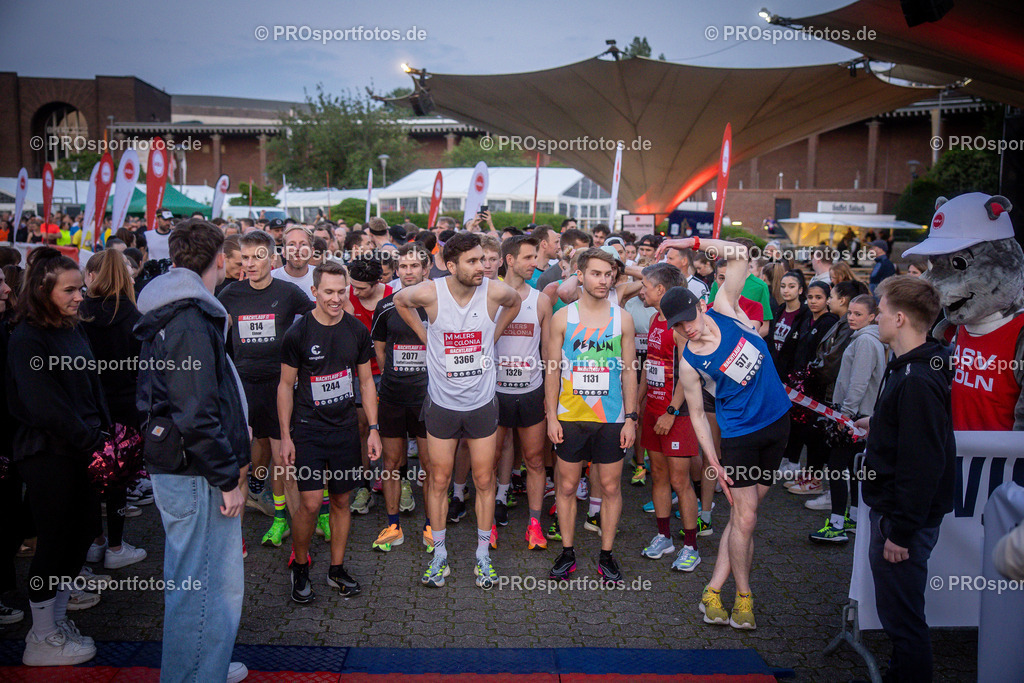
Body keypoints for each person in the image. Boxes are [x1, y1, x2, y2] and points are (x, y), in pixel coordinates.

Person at [655, 236, 792, 631]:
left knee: (742, 516)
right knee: (746, 520)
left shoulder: (726, 308)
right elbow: (697, 414)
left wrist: (692, 241)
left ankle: (713, 588)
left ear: (701, 305)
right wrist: (712, 458)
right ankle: (744, 597)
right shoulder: (690, 361)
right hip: (740, 436)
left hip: (777, 424)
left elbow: (740, 253)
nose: (687, 329)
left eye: (689, 319)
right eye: (678, 326)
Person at [134, 219, 249, 683]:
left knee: (196, 580)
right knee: (206, 584)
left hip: (186, 466)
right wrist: (226, 477)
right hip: (195, 470)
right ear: (219, 258)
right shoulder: (188, 318)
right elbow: (196, 411)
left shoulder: (176, 310)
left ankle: (203, 666)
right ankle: (196, 673)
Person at [393, 232, 521, 589]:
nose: (482, 266)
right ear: (450, 266)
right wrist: (424, 332)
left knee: (484, 480)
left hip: (481, 404)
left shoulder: (494, 291)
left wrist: (493, 335)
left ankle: (483, 556)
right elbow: (399, 300)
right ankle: (439, 556)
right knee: (437, 480)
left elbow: (513, 301)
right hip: (443, 405)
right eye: (473, 261)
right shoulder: (430, 293)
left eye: (484, 259)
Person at [7, 248, 108, 666]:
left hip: (81, 449)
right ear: (43, 290)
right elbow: (43, 405)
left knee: (81, 532)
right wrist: (88, 438)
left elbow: (90, 383)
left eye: (80, 288)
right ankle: (41, 636)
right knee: (55, 541)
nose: (79, 296)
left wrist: (104, 434)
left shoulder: (71, 327)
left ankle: (57, 621)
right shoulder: (27, 337)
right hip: (49, 454)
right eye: (69, 290)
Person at [859, 275, 954, 683]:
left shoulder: (916, 380)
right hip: (898, 517)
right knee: (899, 618)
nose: (874, 318)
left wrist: (900, 531)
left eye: (878, 312)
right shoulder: (909, 371)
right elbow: (911, 435)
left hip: (902, 524)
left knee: (904, 622)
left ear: (899, 318)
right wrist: (878, 424)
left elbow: (923, 464)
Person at [278, 260, 382, 602]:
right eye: (328, 292)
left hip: (344, 430)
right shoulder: (298, 333)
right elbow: (285, 385)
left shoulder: (356, 330)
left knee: (341, 500)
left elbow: (366, 381)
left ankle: (336, 569)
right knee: (309, 505)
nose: (335, 298)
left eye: (341, 291)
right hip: (308, 430)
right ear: (315, 292)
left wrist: (374, 429)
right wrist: (286, 436)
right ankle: (301, 565)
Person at [545, 247, 638, 583]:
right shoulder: (562, 318)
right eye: (597, 273)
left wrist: (631, 417)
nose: (604, 280)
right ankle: (567, 552)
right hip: (570, 416)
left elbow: (629, 372)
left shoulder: (621, 318)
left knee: (611, 487)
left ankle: (607, 554)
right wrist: (551, 416)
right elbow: (552, 371)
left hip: (612, 418)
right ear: (580, 276)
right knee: (567, 486)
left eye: (609, 274)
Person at [218, 230, 314, 548]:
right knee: (241, 466)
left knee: (284, 462)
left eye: (257, 257)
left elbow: (319, 316)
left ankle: (291, 531)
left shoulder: (288, 292)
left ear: (272, 259)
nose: (250, 264)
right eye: (244, 258)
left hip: (278, 388)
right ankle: (235, 543)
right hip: (243, 387)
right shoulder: (230, 294)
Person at [79, 250, 147, 570]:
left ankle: (96, 542)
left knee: (91, 474)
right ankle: (117, 546)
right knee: (118, 477)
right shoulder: (133, 316)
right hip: (125, 404)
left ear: (93, 276)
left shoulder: (79, 314)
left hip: (91, 407)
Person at [637, 263, 704, 572]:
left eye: (645, 286)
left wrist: (671, 411)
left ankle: (691, 546)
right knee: (658, 475)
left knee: (680, 480)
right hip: (653, 411)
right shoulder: (653, 318)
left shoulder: (679, 328)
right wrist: (636, 405)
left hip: (676, 414)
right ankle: (664, 537)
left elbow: (688, 375)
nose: (641, 290)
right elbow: (649, 366)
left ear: (660, 291)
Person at [369, 244, 434, 553]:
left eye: (414, 266)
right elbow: (380, 349)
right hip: (394, 395)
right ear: (397, 271)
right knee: (392, 463)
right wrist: (392, 376)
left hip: (428, 398)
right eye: (403, 267)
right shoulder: (385, 306)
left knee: (431, 465)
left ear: (426, 269)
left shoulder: (437, 304)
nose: (409, 272)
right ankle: (393, 525)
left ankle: (432, 525)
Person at [809, 294, 885, 543]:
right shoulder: (869, 339)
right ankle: (852, 517)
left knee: (837, 468)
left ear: (872, 316)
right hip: (860, 414)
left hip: (855, 416)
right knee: (851, 470)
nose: (851, 318)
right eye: (850, 313)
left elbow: (859, 382)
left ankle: (837, 524)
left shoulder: (865, 341)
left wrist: (846, 416)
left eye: (858, 314)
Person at [493, 236, 552, 549]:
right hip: (495, 393)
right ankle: (488, 522)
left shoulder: (541, 300)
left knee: (535, 460)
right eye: (528, 257)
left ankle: (534, 523)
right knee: (490, 460)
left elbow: (548, 353)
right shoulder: (488, 296)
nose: (535, 263)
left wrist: (549, 396)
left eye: (535, 257)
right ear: (510, 260)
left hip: (530, 391)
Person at [347, 258, 392, 515]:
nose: (355, 292)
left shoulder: (392, 296)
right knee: (363, 428)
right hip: (358, 373)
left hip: (386, 373)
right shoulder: (347, 298)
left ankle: (391, 479)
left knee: (388, 430)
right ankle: (364, 485)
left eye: (361, 288)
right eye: (352, 286)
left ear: (378, 283)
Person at [272, 226, 316, 300]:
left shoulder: (323, 278)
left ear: (312, 251)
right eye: (292, 244)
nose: (297, 248)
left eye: (303, 244)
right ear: (283, 251)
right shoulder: (271, 278)